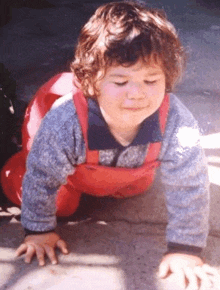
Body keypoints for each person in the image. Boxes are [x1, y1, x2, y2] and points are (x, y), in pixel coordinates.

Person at [1, 1, 217, 288]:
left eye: (151, 79)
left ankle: (111, 178)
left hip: (117, 168)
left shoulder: (176, 120)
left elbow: (190, 184)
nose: (137, 93)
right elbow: (41, 176)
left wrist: (185, 249)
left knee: (138, 187)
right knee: (63, 204)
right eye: (121, 81)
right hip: (52, 156)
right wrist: (37, 230)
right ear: (91, 82)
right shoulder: (65, 122)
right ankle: (14, 169)